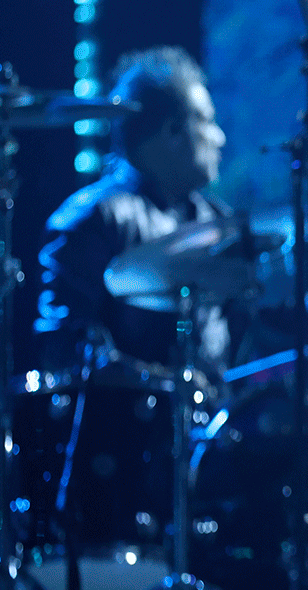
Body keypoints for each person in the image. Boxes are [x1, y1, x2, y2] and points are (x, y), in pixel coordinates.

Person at [35, 45, 233, 381]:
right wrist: (163, 385)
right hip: (124, 427)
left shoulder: (216, 218)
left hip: (214, 425)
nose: (220, 137)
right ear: (172, 131)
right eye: (207, 121)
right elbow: (64, 351)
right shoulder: (92, 219)